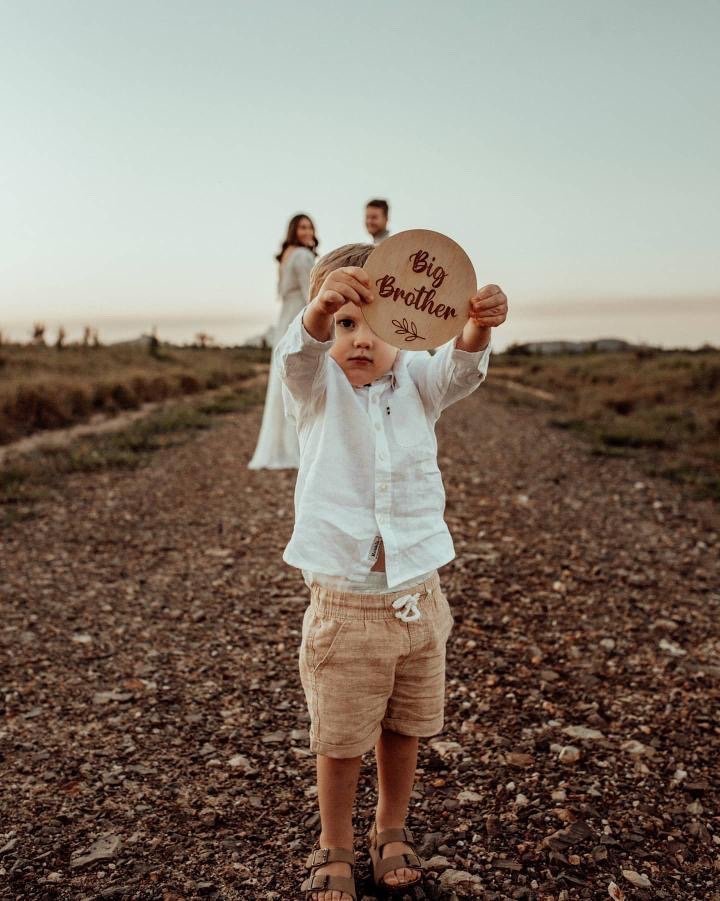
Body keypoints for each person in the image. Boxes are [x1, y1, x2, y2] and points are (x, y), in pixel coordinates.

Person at [274, 243, 508, 901]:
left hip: (418, 596)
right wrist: (318, 311)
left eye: (376, 324)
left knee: (405, 726)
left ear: (408, 329)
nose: (360, 339)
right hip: (347, 604)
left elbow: (461, 369)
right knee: (342, 734)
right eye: (345, 323)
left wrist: (476, 326)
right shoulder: (316, 389)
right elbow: (297, 356)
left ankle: (390, 825)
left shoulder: (418, 383)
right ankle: (335, 841)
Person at [248, 214, 318, 469]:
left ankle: (279, 446)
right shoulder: (302, 256)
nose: (308, 231)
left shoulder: (286, 256)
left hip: (283, 319)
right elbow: (312, 294)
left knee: (282, 380)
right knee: (299, 379)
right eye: (302, 227)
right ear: (293, 231)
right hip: (298, 317)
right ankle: (296, 446)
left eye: (310, 227)